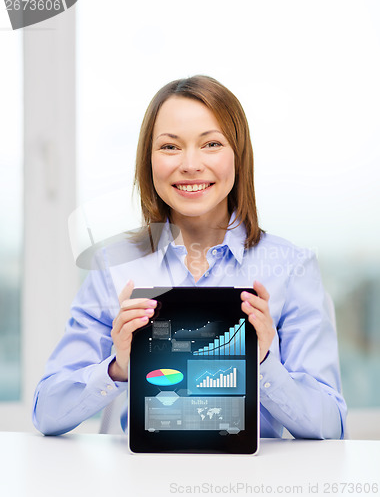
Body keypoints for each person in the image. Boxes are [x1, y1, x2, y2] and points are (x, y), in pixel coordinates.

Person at [32, 75, 347, 438]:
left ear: (238, 155)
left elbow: (332, 426)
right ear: (148, 160)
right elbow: (47, 412)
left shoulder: (291, 267)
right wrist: (117, 368)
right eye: (170, 147)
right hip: (139, 482)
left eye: (211, 143)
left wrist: (262, 362)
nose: (190, 164)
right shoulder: (114, 265)